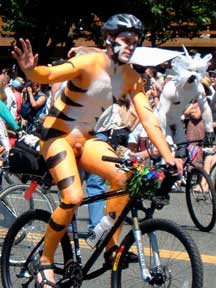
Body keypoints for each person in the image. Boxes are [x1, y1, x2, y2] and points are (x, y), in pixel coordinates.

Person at [12, 13, 183, 287]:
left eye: (135, 42)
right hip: (57, 136)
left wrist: (167, 155)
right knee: (73, 196)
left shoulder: (130, 77)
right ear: (109, 40)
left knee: (124, 178)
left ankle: (109, 245)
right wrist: (31, 71)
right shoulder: (89, 62)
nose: (130, 46)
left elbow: (148, 117)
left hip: (87, 139)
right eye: (126, 40)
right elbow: (51, 74)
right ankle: (45, 261)